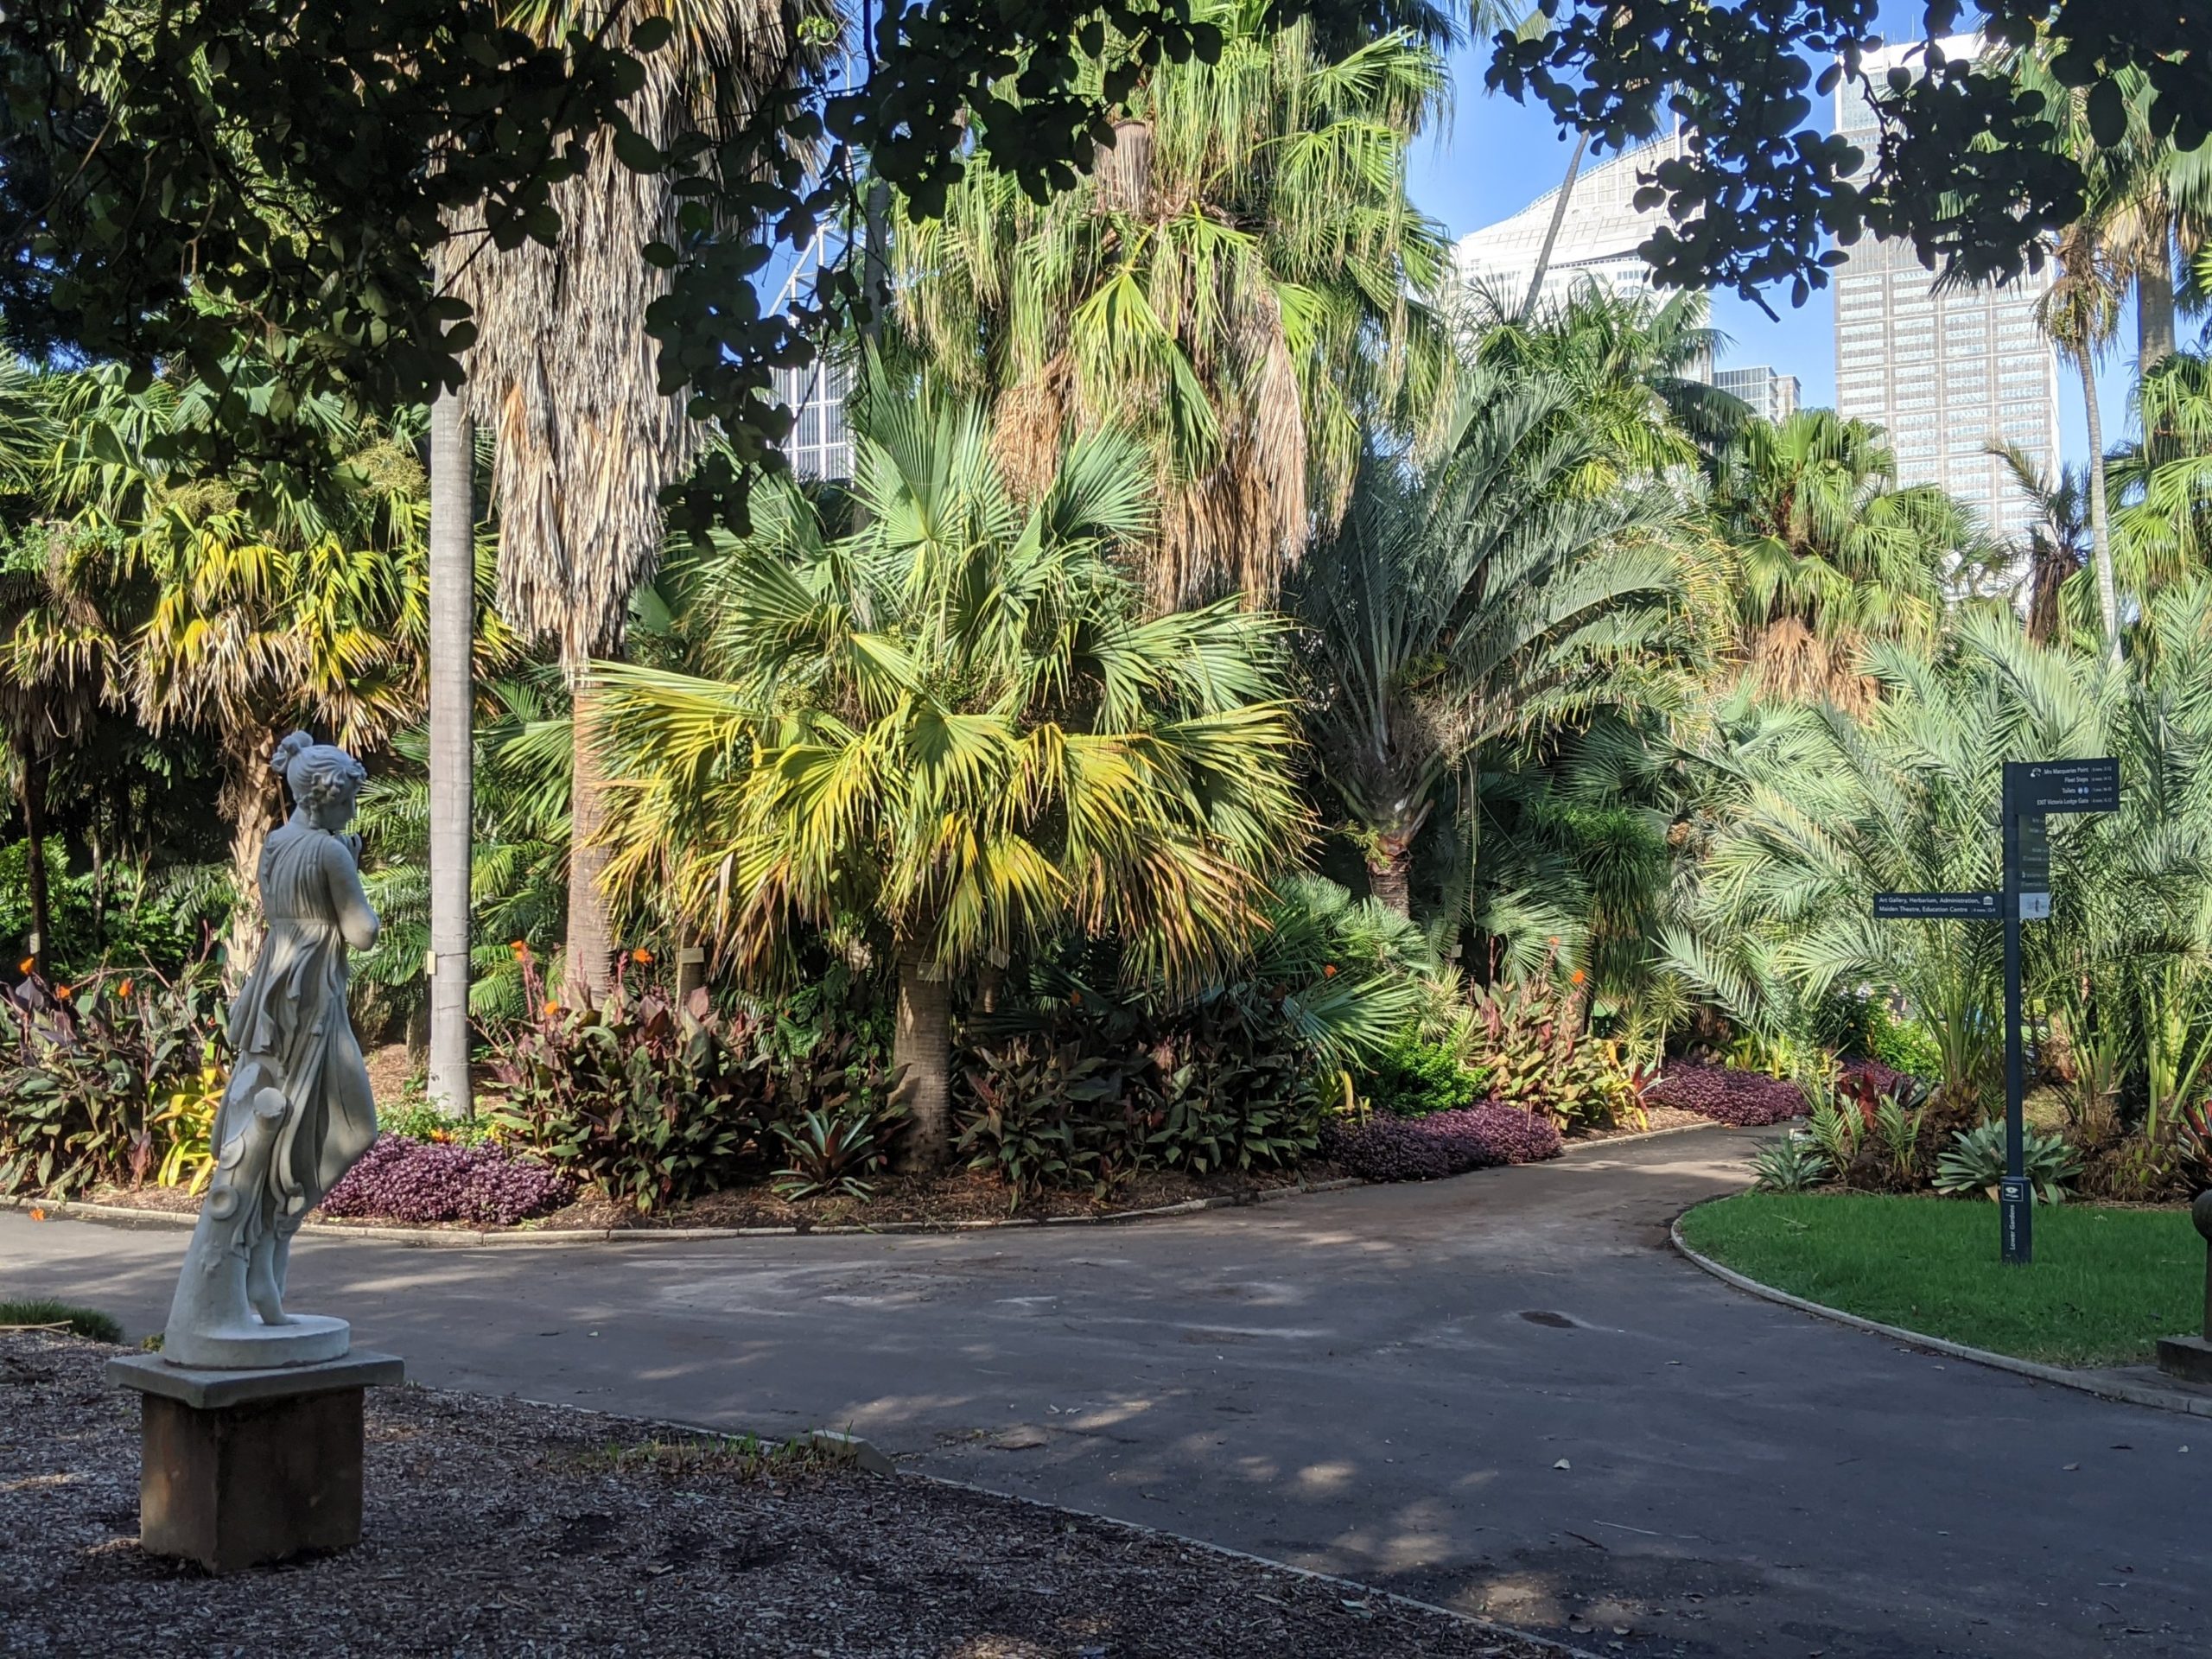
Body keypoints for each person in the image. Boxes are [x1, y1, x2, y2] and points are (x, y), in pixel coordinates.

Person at [163, 732, 380, 1361]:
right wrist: (351, 869)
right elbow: (362, 933)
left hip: (273, 990)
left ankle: (268, 1254)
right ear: (324, 797)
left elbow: (282, 908)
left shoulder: (277, 843)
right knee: (350, 1128)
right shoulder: (329, 851)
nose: (353, 812)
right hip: (310, 1002)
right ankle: (271, 1246)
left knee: (289, 1128)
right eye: (349, 800)